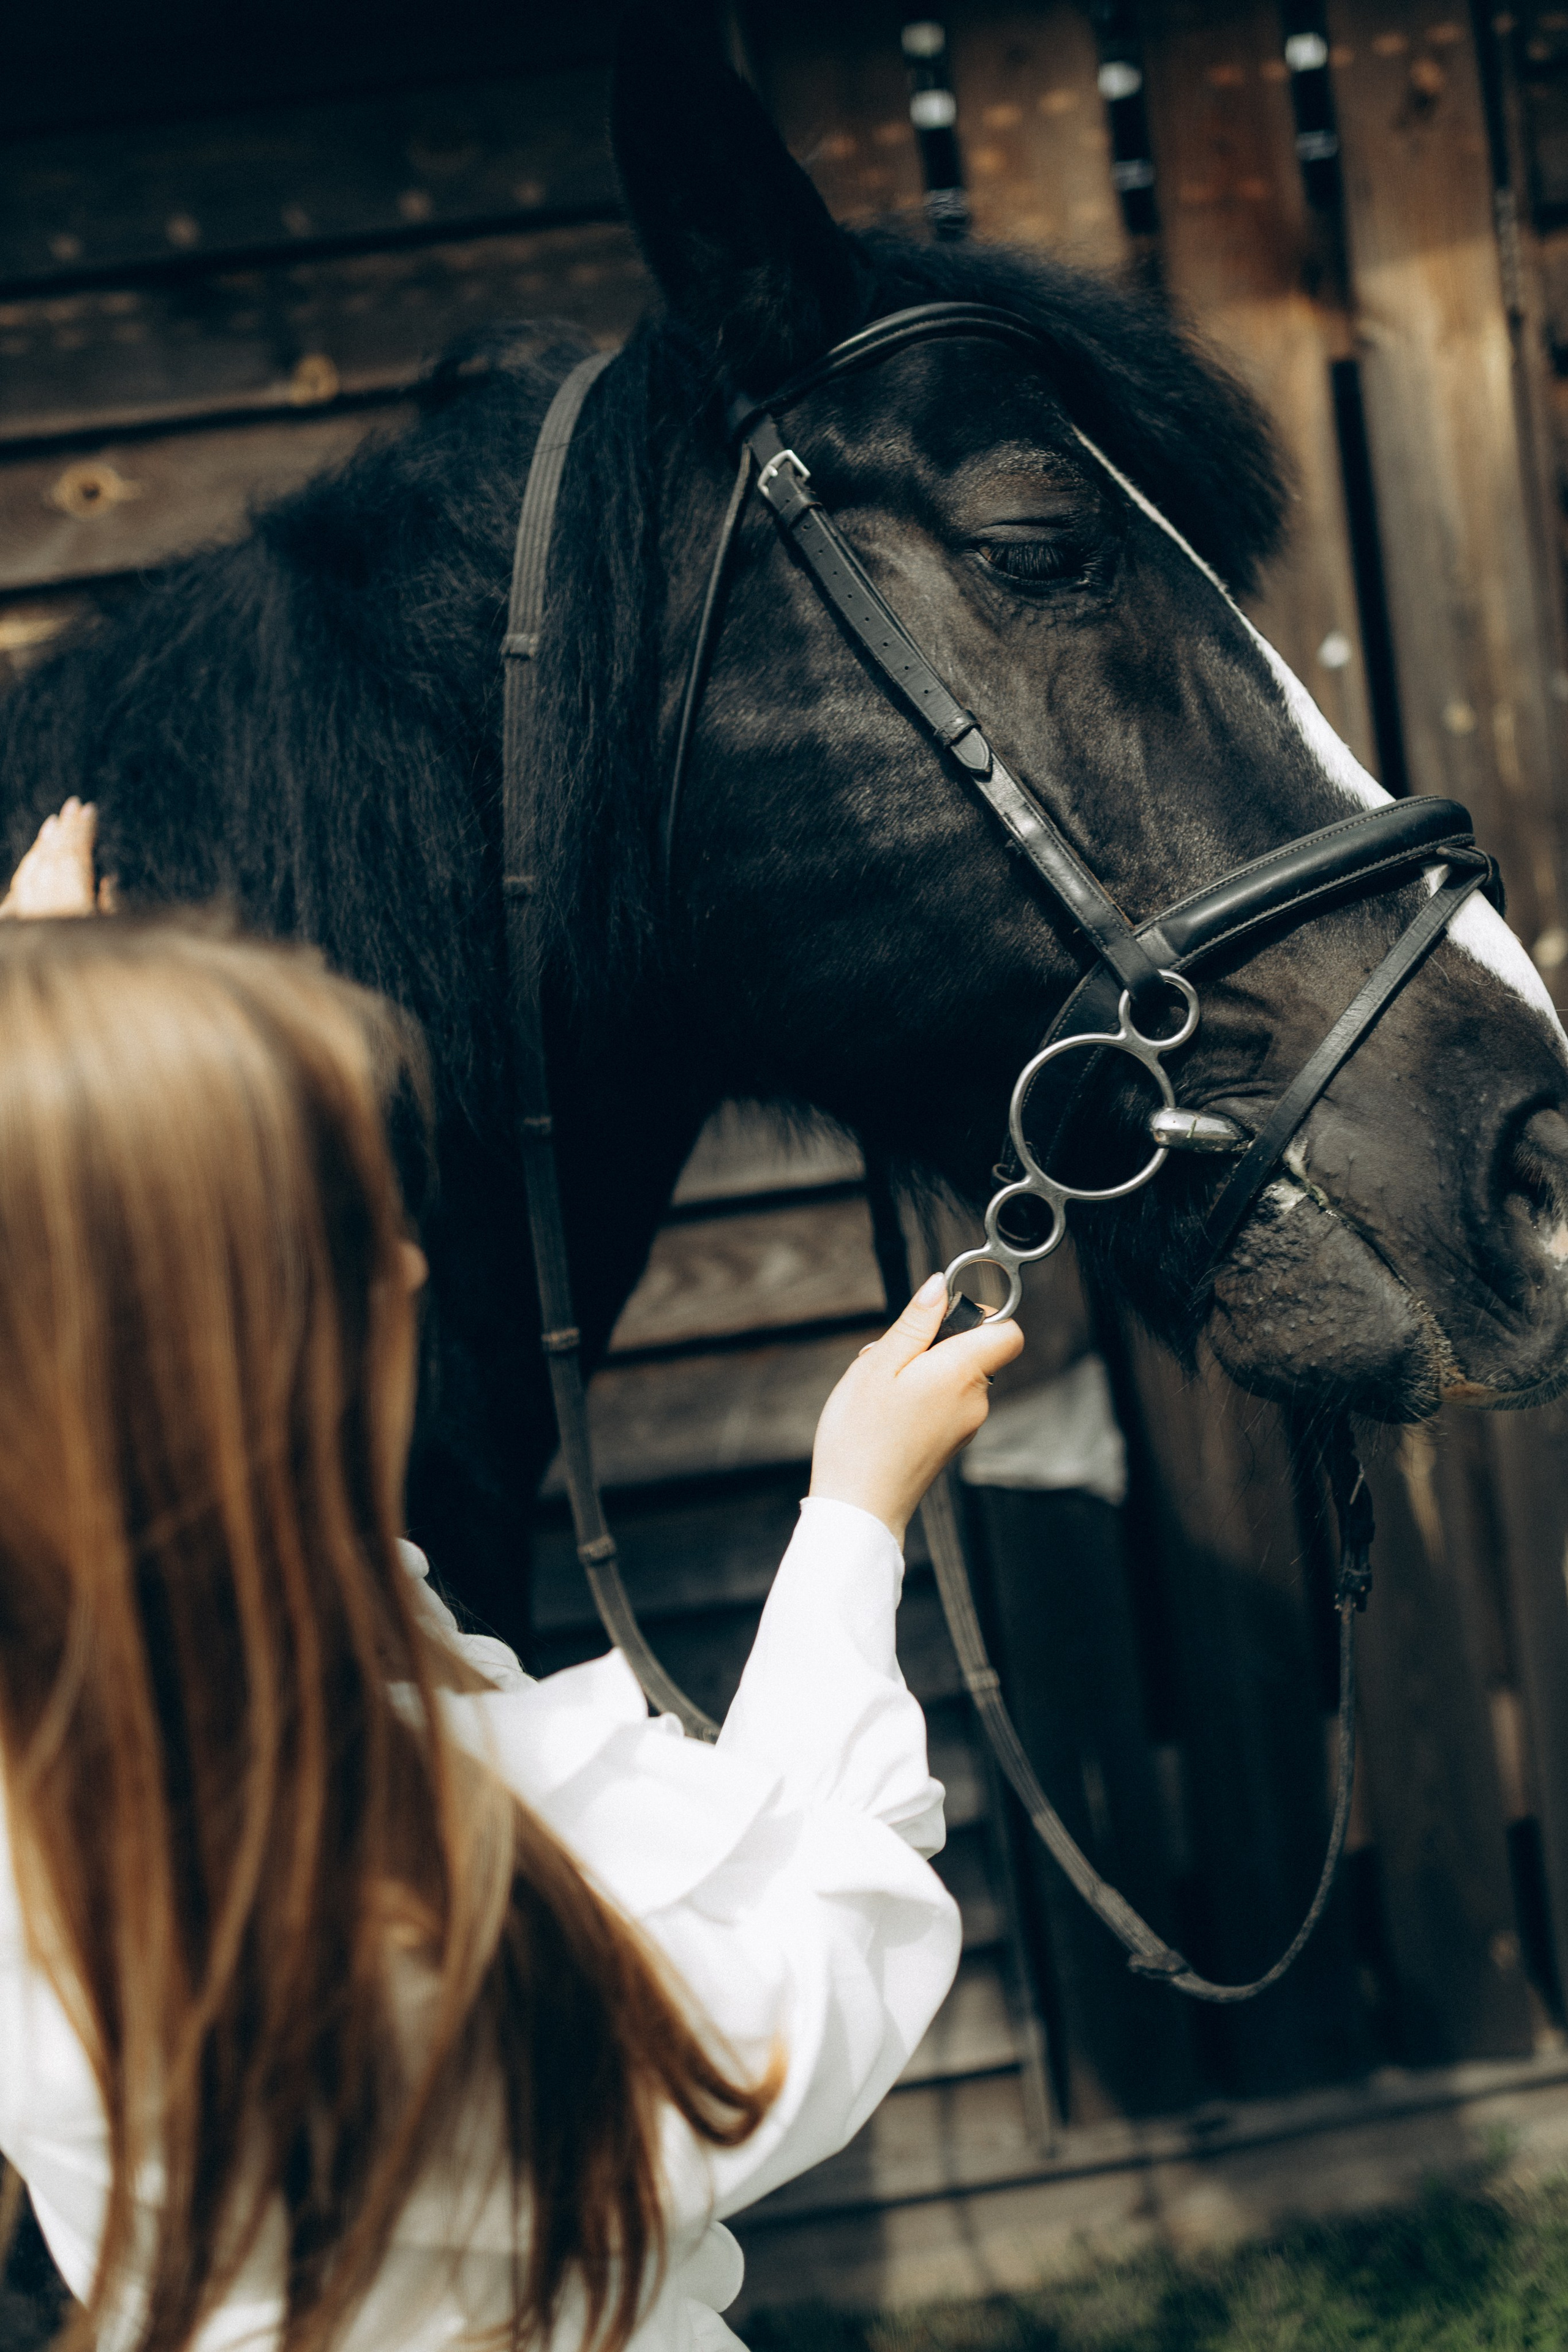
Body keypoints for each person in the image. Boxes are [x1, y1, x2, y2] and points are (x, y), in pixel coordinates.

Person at [0, 804, 1023, 2351]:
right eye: (348, 1231)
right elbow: (786, 2008)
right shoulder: (367, 1883)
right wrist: (854, 1514)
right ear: (220, 1353)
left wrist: (61, 1037)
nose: (410, 1266)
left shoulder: (86, 1749)